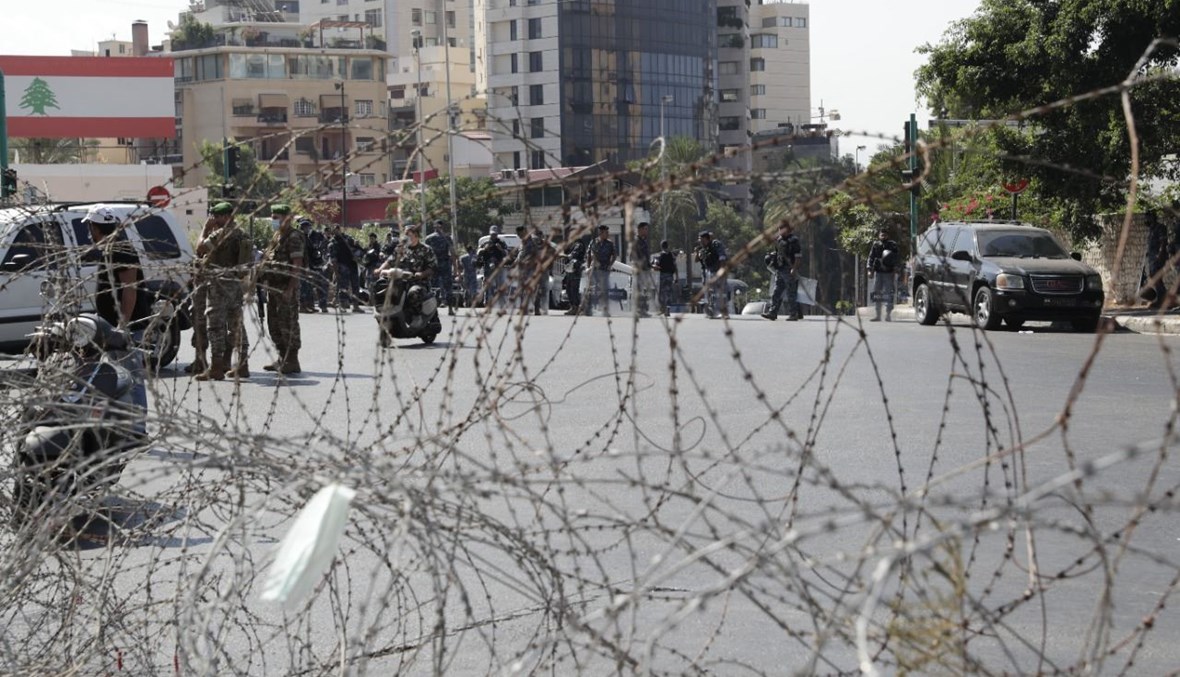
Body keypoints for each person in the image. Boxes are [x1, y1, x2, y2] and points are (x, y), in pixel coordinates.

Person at [84, 206, 148, 435]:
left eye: (90, 227)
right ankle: (122, 427)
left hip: (124, 328)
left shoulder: (120, 250)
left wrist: (122, 326)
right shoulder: (111, 248)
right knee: (117, 378)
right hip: (110, 327)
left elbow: (130, 290)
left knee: (132, 378)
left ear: (95, 227)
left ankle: (137, 430)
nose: (89, 232)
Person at [194, 201, 252, 380]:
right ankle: (243, 365)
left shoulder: (221, 233)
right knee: (236, 324)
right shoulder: (241, 233)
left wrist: (205, 229)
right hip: (235, 283)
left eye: (217, 216)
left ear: (227, 216)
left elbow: (200, 248)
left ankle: (216, 367)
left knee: (215, 325)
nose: (214, 220)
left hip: (219, 284)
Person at [262, 204, 305, 374]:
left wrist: (290, 289)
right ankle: (282, 357)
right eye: (272, 217)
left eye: (276, 217)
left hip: (286, 287)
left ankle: (292, 360)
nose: (273, 221)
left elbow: (297, 265)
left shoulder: (293, 237)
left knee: (288, 323)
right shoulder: (277, 236)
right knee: (274, 324)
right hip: (274, 288)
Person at [376, 222, 436, 315]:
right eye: (405, 235)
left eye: (409, 235)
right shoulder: (401, 248)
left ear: (416, 235)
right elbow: (390, 261)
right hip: (400, 282)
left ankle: (417, 315)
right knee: (382, 287)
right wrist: (380, 270)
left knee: (413, 294)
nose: (406, 237)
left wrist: (422, 274)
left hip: (418, 282)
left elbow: (432, 267)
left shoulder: (426, 249)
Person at [762, 221, 803, 321]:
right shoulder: (779, 240)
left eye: (782, 229)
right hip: (780, 269)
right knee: (776, 292)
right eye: (779, 229)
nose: (780, 231)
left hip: (789, 269)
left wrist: (794, 269)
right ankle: (772, 313)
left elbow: (798, 257)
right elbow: (777, 254)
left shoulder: (793, 241)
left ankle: (793, 314)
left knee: (791, 293)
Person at [867, 227, 901, 321]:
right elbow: (871, 257)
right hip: (878, 272)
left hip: (889, 273)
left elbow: (897, 258)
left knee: (888, 293)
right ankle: (878, 315)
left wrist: (896, 268)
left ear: (888, 235)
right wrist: (869, 269)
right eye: (882, 235)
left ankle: (888, 314)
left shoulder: (892, 245)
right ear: (879, 235)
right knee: (876, 293)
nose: (883, 236)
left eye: (885, 235)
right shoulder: (876, 245)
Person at [424, 220, 457, 316]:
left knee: (433, 287)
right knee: (446, 287)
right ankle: (449, 309)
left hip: (435, 265)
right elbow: (453, 253)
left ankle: (434, 310)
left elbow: (425, 253)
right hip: (443, 264)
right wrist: (455, 267)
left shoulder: (429, 238)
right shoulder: (446, 238)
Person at [694, 230, 728, 318]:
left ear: (706, 239)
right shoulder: (703, 248)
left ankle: (723, 312)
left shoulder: (715, 244)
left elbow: (722, 257)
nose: (700, 242)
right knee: (710, 293)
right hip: (709, 272)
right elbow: (698, 259)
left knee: (720, 292)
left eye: (701, 240)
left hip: (717, 271)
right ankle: (712, 311)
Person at [328, 225, 361, 312]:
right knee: (343, 287)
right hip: (342, 266)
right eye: (334, 230)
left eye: (338, 229)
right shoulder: (333, 243)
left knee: (355, 286)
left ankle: (356, 306)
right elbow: (333, 259)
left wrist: (358, 256)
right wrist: (336, 272)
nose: (337, 231)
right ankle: (342, 305)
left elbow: (358, 249)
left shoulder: (349, 238)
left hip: (352, 265)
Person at [586, 225, 616, 316]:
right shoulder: (593, 242)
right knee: (591, 290)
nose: (608, 234)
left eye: (608, 232)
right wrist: (588, 267)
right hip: (594, 269)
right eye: (606, 232)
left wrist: (610, 265)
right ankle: (588, 310)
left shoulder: (610, 244)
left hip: (604, 269)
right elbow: (588, 255)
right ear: (601, 233)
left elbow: (614, 255)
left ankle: (605, 310)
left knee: (604, 290)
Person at [476, 226, 510, 307]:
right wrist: (484, 249)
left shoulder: (501, 243)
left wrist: (501, 249)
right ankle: (486, 301)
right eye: (492, 234)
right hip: (487, 266)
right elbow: (478, 252)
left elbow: (507, 253)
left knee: (500, 284)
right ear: (490, 234)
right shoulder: (485, 243)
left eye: (495, 234)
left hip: (498, 266)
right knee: (486, 284)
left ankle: (501, 302)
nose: (493, 236)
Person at [631, 221, 655, 317]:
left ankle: (642, 310)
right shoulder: (636, 241)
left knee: (643, 291)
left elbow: (645, 257)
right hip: (639, 270)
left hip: (645, 270)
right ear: (640, 230)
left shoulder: (644, 241)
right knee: (639, 291)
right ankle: (639, 311)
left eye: (647, 229)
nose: (646, 231)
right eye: (645, 229)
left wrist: (650, 265)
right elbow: (632, 256)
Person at [560, 235, 588, 316]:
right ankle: (573, 307)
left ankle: (576, 308)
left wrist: (563, 255)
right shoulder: (572, 244)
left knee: (573, 289)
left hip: (575, 270)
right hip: (570, 270)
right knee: (569, 289)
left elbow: (573, 255)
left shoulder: (578, 245)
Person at [654, 239, 678, 316]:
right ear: (668, 246)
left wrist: (654, 266)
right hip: (670, 276)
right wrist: (677, 277)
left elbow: (656, 264)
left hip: (662, 276)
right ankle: (667, 310)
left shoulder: (660, 255)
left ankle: (662, 309)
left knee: (661, 293)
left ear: (661, 246)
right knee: (668, 293)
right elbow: (675, 266)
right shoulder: (672, 255)